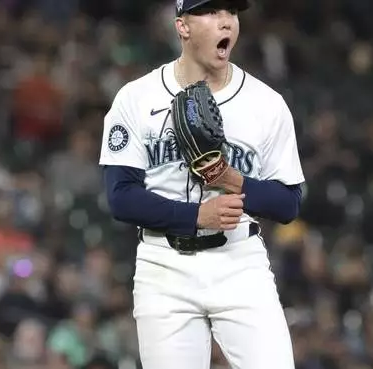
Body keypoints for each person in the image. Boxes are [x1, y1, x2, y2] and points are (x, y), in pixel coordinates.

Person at [98, 0, 305, 368]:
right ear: (182, 27)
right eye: (211, 11)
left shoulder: (266, 104)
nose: (225, 21)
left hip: (240, 261)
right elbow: (121, 198)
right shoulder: (135, 98)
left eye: (232, 12)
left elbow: (288, 204)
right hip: (164, 266)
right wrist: (198, 216)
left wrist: (230, 179)